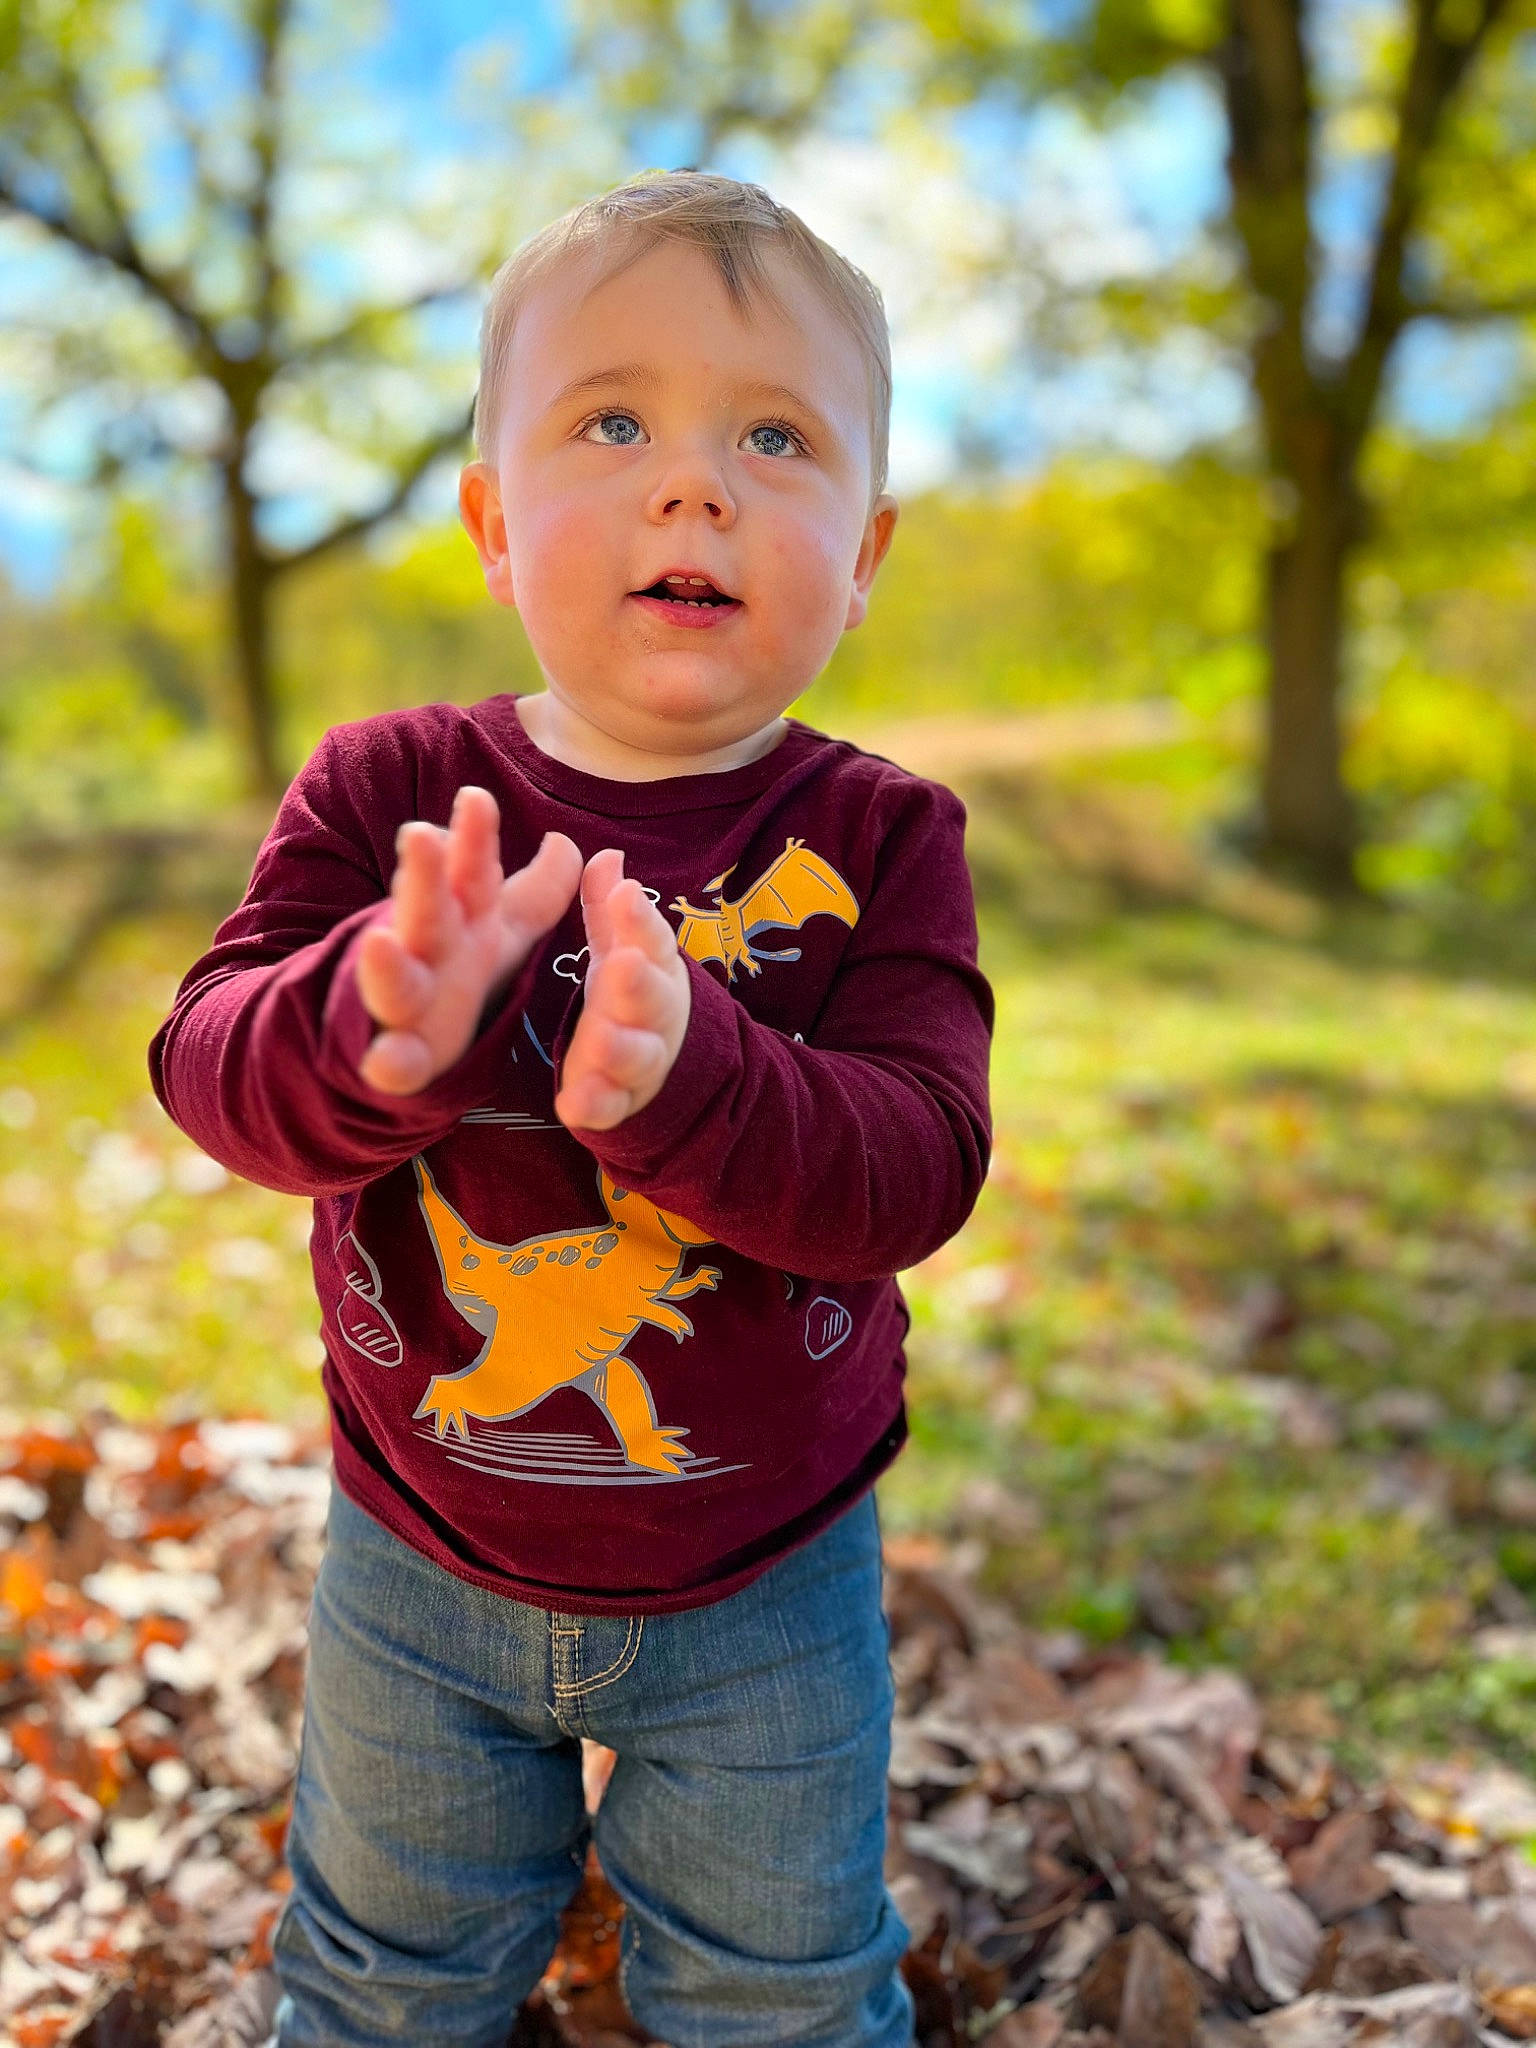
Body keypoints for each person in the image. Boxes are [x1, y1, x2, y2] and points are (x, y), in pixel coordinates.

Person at [150, 168, 994, 2048]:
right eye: (613, 420)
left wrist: (695, 1083)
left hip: (768, 1587)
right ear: (493, 520)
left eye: (773, 437)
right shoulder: (391, 795)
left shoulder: (877, 840)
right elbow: (209, 1066)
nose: (692, 483)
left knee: (780, 1999)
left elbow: (918, 1163)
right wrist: (375, 1028)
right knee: (377, 1985)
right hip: (415, 1568)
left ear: (861, 554)